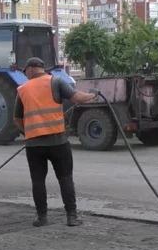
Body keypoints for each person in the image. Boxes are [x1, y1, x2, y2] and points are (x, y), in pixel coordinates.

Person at [13, 57, 99, 227]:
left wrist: (28, 132)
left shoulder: (22, 89)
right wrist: (93, 94)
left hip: (34, 145)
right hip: (58, 142)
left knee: (38, 181)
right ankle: (72, 217)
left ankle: (42, 218)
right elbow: (77, 98)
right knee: (65, 178)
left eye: (25, 72)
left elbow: (17, 119)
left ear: (30, 69)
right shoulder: (56, 81)